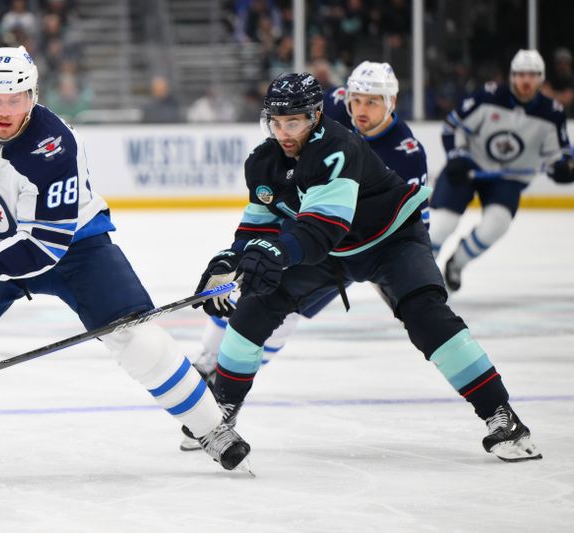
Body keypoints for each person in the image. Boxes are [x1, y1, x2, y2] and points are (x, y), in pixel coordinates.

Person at [0, 45, 250, 485]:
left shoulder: (55, 147)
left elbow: (46, 244)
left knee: (138, 338)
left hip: (75, 247)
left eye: (16, 99)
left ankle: (213, 429)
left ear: (33, 95)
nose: (4, 111)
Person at [182, 71, 542, 464]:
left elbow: (322, 229)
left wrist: (275, 252)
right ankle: (221, 413)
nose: (284, 132)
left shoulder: (338, 147)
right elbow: (256, 226)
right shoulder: (264, 162)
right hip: (330, 255)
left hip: (390, 241)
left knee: (427, 317)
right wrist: (228, 260)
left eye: (294, 121)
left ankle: (501, 416)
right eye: (276, 121)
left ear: (316, 116)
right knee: (253, 308)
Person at [183, 62, 429, 434]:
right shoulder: (316, 111)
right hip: (302, 237)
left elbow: (405, 229)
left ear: (392, 103)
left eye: (373, 102)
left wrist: (404, 284)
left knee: (281, 316)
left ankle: (224, 379)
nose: (362, 110)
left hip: (346, 247)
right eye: (355, 99)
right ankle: (212, 365)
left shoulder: (405, 152)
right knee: (251, 289)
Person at [429, 49, 573, 291]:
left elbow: (558, 156)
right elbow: (452, 126)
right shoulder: (488, 96)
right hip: (469, 167)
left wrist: (562, 169)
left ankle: (457, 263)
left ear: (541, 78)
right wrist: (456, 156)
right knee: (443, 224)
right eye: (520, 75)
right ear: (511, 76)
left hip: (508, 178)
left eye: (533, 75)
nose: (526, 81)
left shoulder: (552, 113)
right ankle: (419, 274)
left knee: (497, 224)